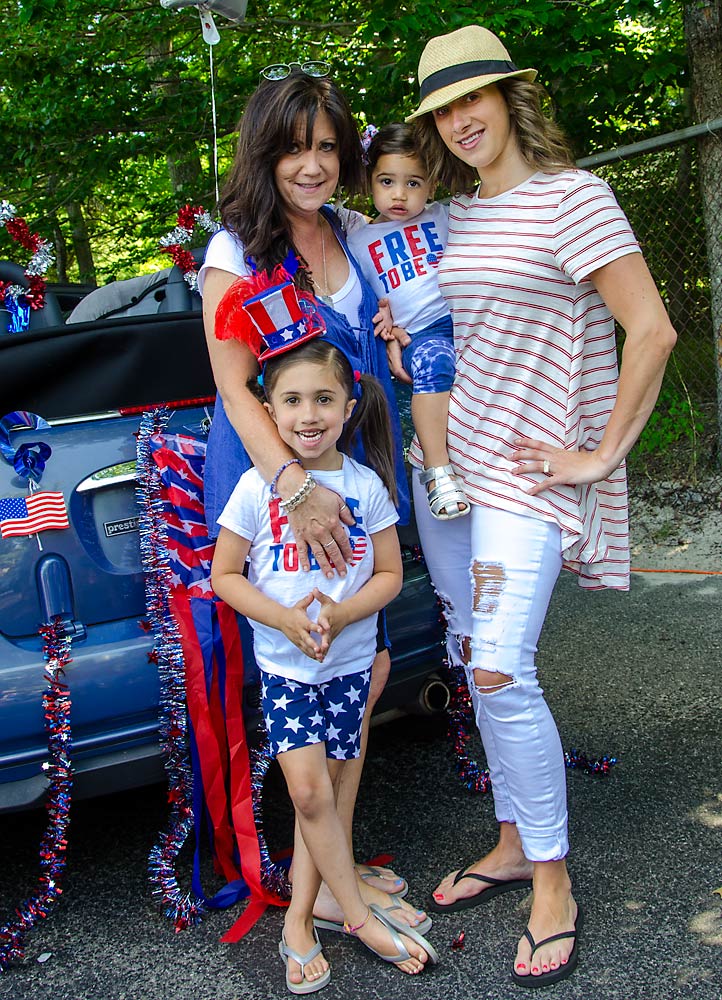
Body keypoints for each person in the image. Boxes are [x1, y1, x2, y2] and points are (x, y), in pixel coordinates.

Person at [399, 24, 677, 988]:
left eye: (471, 99)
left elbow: (652, 328)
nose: (459, 120)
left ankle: (551, 877)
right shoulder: (456, 219)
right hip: (455, 482)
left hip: (531, 478)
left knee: (504, 669)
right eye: (442, 110)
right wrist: (410, 348)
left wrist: (601, 453)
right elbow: (455, 337)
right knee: (477, 666)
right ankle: (513, 838)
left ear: (510, 97)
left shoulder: (576, 199)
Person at [197, 62, 430, 949]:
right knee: (305, 664)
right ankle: (332, 887)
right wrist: (296, 495)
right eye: (295, 147)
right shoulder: (237, 250)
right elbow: (232, 385)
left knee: (361, 673)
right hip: (280, 481)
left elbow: (392, 330)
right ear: (266, 151)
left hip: (360, 467)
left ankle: (333, 864)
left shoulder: (356, 229)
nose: (313, 164)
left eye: (328, 146)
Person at [211, 285, 438, 991]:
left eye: (322, 400)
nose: (308, 416)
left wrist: (340, 618)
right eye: (292, 401)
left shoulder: (367, 486)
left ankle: (301, 920)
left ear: (348, 406)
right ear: (268, 409)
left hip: (346, 668)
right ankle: (362, 920)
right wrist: (280, 619)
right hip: (286, 669)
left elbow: (391, 574)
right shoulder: (256, 488)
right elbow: (225, 576)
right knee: (309, 796)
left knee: (334, 794)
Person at [347, 122, 468, 520]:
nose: (400, 194)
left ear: (432, 185)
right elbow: (366, 300)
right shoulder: (358, 241)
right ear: (370, 182)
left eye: (414, 183)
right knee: (434, 363)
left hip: (468, 320)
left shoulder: (446, 217)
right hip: (421, 333)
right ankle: (438, 470)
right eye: (387, 181)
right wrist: (386, 326)